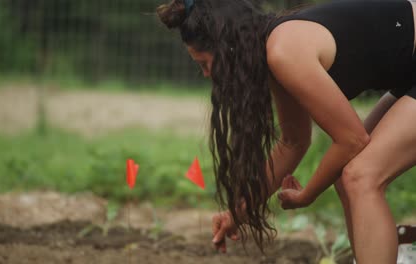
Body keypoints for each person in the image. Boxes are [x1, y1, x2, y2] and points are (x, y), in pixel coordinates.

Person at [156, 0, 416, 263]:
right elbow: (293, 142)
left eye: (204, 63)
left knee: (360, 177)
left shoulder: (284, 51)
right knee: (352, 179)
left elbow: (352, 140)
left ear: (227, 49)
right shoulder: (275, 55)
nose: (205, 74)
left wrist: (307, 194)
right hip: (409, 74)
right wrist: (238, 212)